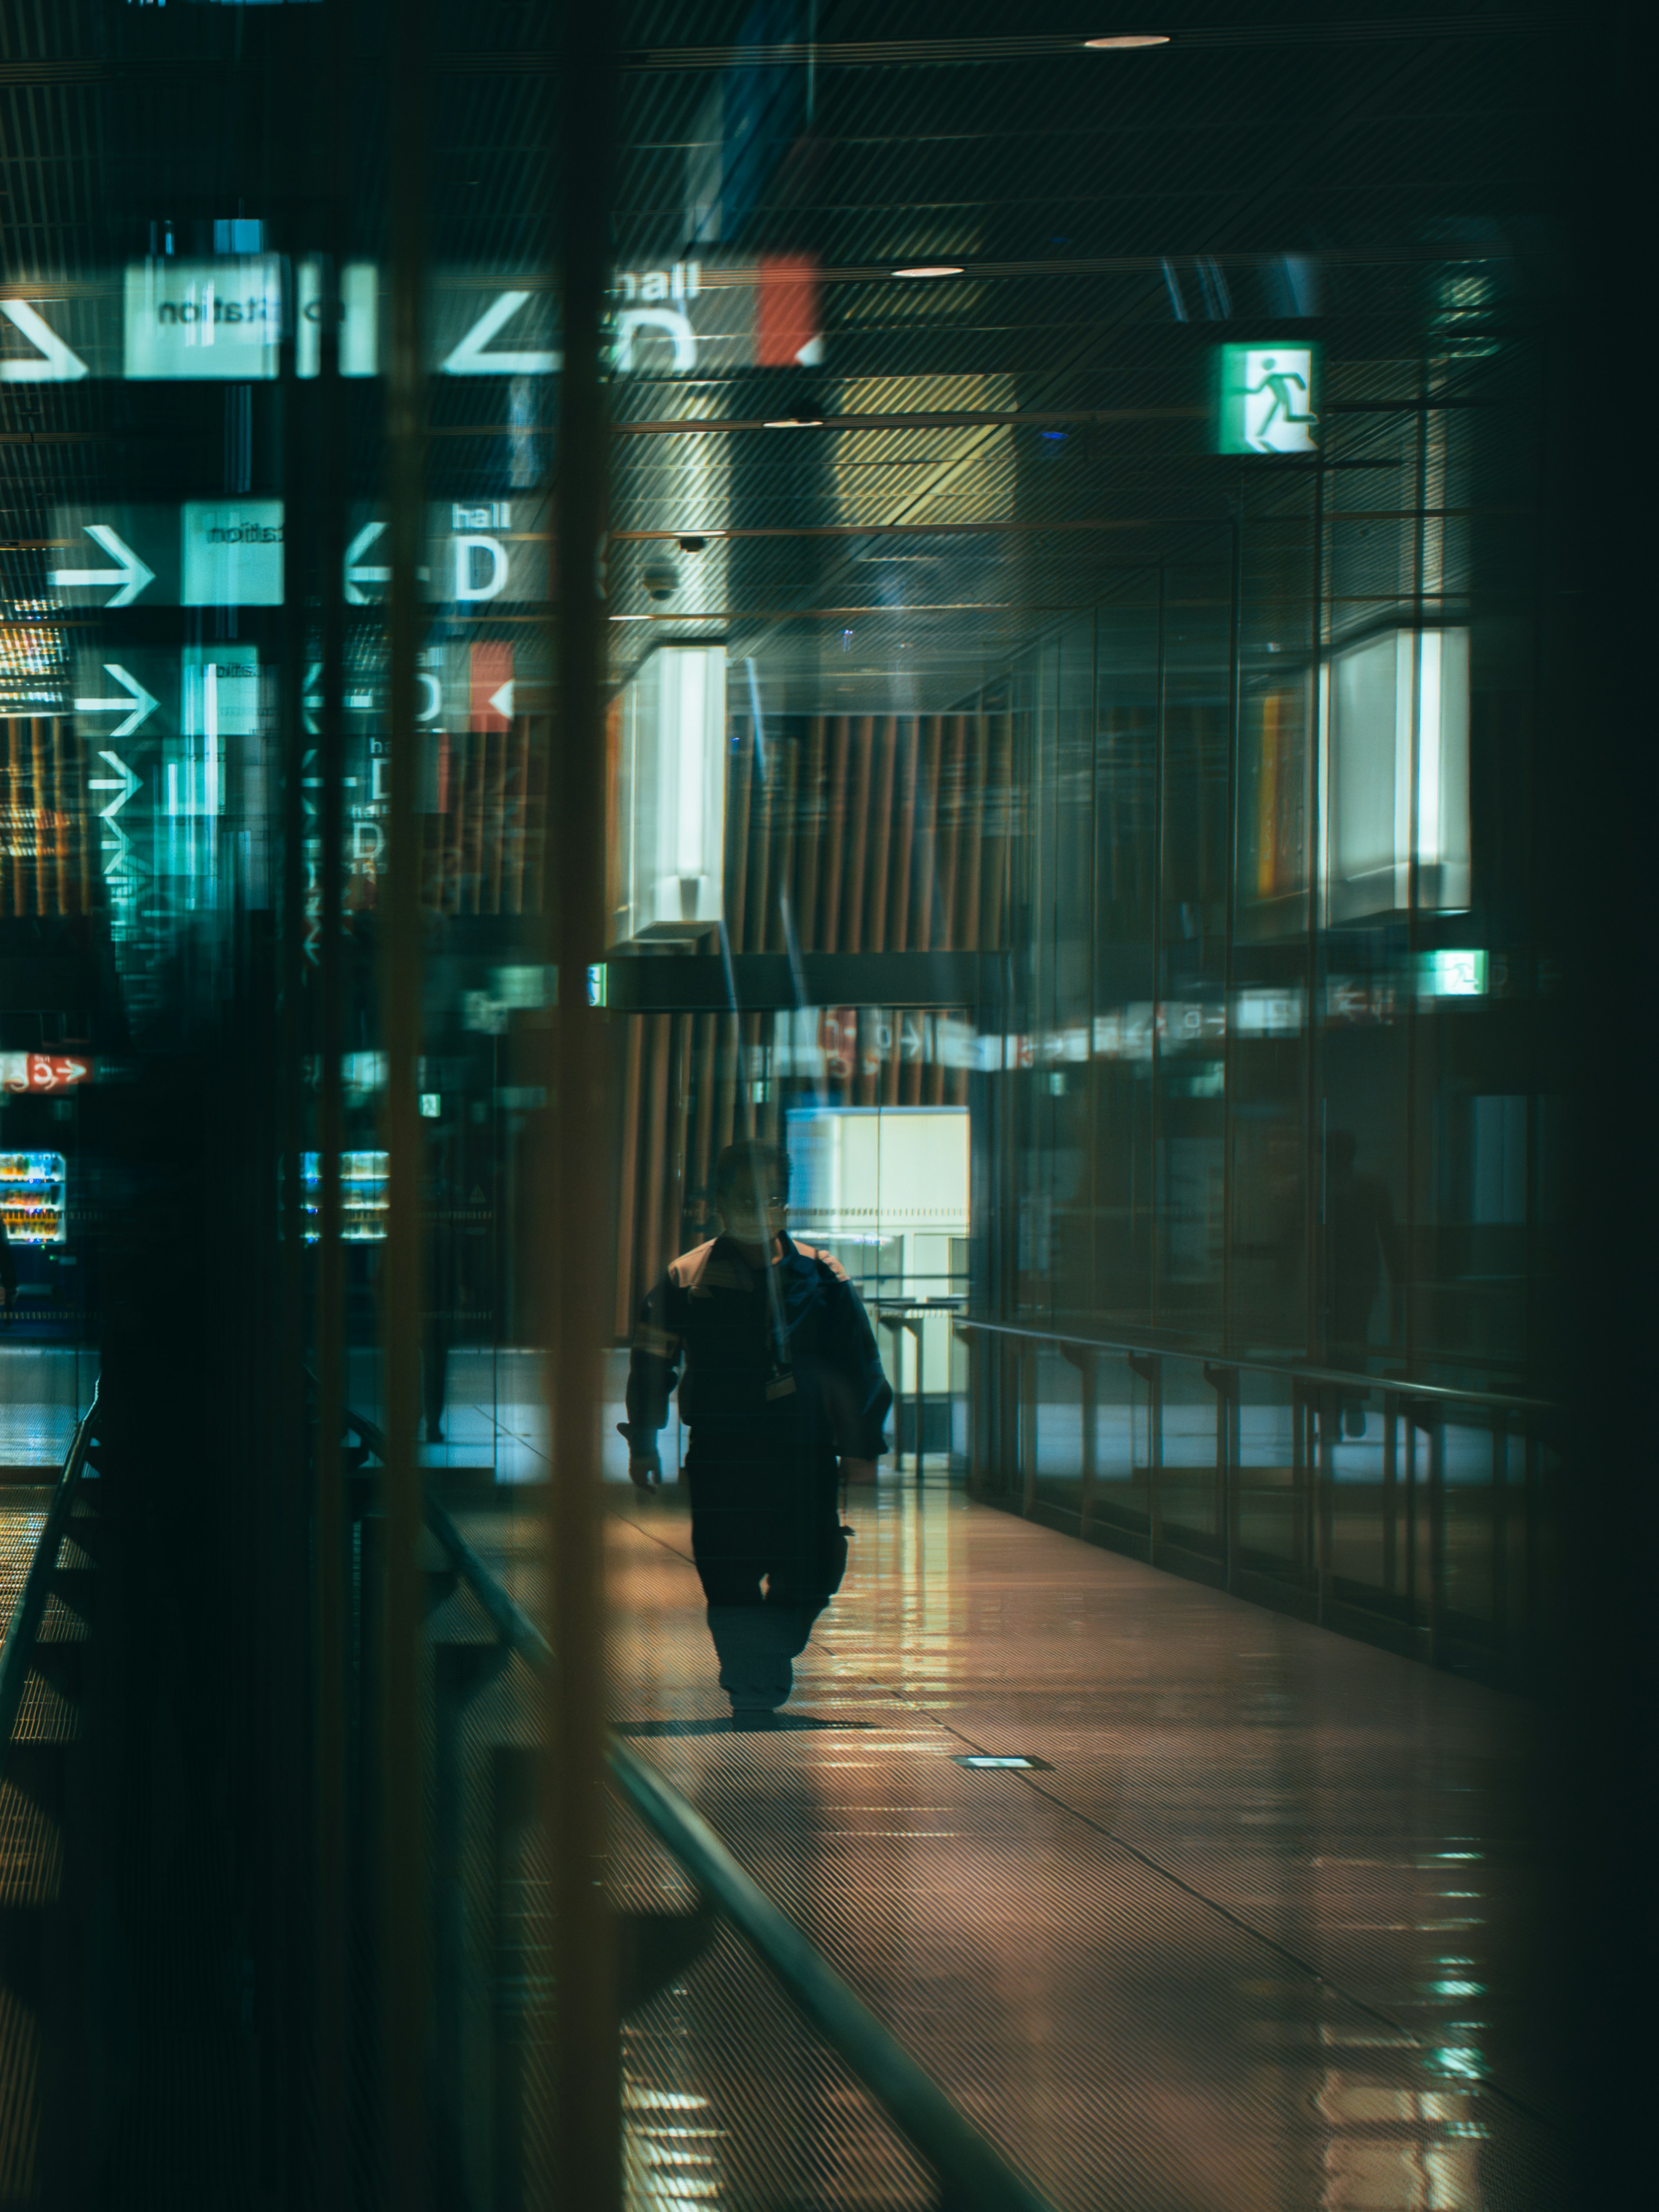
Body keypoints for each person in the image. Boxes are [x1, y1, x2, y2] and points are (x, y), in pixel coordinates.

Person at [621, 1138, 892, 1729]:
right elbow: (651, 1365)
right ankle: (751, 1684)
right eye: (746, 1197)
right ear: (719, 1201)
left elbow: (858, 1366)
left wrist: (862, 1450)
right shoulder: (687, 1277)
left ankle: (768, 1653)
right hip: (724, 1448)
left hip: (804, 1451)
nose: (759, 1208)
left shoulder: (821, 1275)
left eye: (771, 1197)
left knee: (815, 1563)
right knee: (728, 1569)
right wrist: (643, 1437)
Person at [1324, 1128, 1402, 1437]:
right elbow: (1389, 1235)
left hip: (1337, 1280)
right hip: (1356, 1280)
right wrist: (1398, 1278)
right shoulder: (1372, 1186)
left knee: (1335, 1345)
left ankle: (1338, 1407)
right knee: (1353, 1343)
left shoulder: (1322, 1187)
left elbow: (1388, 1233)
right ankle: (1350, 1403)